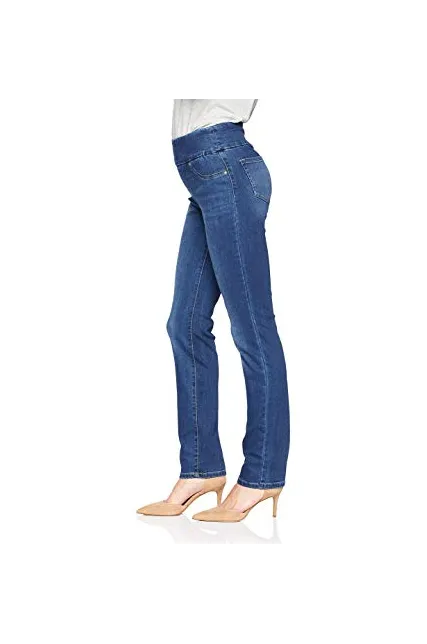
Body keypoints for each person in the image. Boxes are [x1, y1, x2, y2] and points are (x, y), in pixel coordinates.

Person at [137, 97, 290, 522]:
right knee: (184, 325)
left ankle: (262, 474)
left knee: (252, 328)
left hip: (225, 168)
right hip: (207, 175)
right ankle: (200, 468)